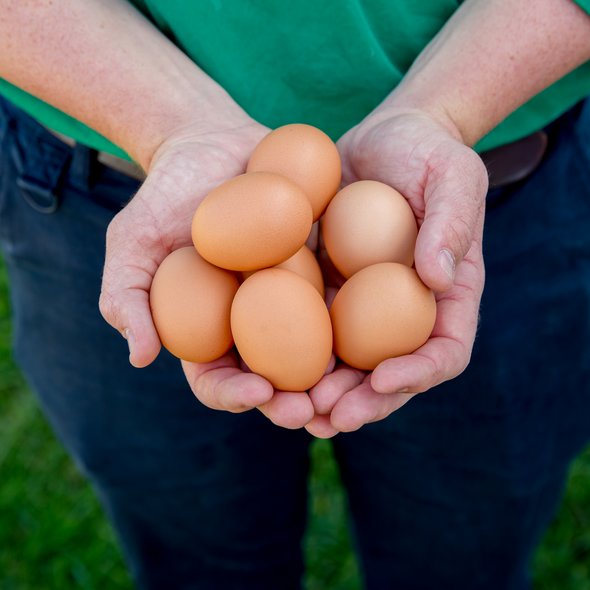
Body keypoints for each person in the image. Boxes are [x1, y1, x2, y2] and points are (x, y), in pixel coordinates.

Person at [1, 0, 590, 588]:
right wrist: (168, 122)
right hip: (115, 179)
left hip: (489, 187)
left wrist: (444, 111)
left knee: (462, 557)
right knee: (199, 560)